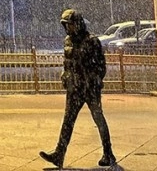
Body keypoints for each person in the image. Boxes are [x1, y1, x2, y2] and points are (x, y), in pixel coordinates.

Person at [40, 9, 116, 168]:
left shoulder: (92, 41)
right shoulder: (68, 41)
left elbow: (101, 66)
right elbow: (68, 62)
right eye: (66, 25)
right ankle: (59, 154)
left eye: (70, 25)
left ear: (78, 24)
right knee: (67, 121)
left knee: (98, 119)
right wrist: (65, 74)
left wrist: (93, 80)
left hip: (89, 89)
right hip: (74, 89)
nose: (68, 28)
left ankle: (108, 153)